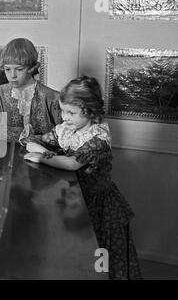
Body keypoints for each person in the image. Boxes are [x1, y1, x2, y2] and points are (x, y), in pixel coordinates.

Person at [23, 76, 142, 280]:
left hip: (100, 207)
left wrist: (42, 156)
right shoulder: (67, 130)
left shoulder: (98, 138)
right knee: (81, 257)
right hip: (78, 201)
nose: (64, 117)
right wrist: (41, 149)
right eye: (62, 110)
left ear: (90, 110)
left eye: (71, 112)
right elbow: (32, 141)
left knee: (102, 255)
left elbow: (72, 163)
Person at [0, 38, 62, 141]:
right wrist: (26, 136)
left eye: (19, 69)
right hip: (6, 154)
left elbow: (65, 134)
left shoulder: (53, 97)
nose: (12, 76)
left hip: (44, 155)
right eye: (7, 69)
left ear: (32, 67)